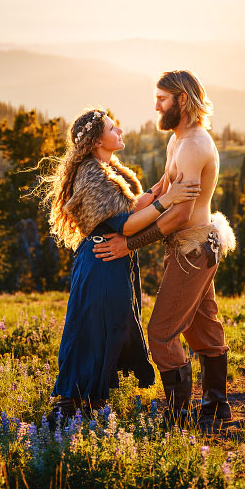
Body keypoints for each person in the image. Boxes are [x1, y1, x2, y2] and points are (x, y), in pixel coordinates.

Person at [92, 71, 236, 423]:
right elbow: (163, 187)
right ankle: (217, 406)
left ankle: (179, 416)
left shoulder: (194, 147)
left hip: (193, 251)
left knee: (161, 333)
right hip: (195, 248)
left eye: (162, 99)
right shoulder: (178, 140)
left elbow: (177, 216)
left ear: (182, 100)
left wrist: (128, 243)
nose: (156, 105)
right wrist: (130, 206)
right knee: (202, 327)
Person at [41, 107, 201, 419]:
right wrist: (167, 200)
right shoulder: (93, 175)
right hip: (102, 260)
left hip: (112, 260)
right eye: (113, 129)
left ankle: (89, 401)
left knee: (111, 325)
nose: (120, 132)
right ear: (97, 141)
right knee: (96, 328)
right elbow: (125, 225)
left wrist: (166, 183)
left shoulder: (108, 168)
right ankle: (77, 403)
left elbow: (134, 203)